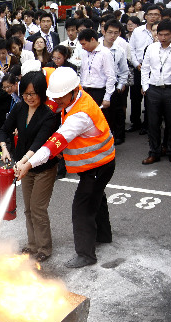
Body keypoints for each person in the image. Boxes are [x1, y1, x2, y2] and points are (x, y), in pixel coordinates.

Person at [16, 67, 115, 268]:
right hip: (100, 163)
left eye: (60, 97)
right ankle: (104, 235)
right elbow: (49, 76)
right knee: (97, 197)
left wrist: (28, 164)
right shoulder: (76, 95)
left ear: (72, 92)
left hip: (97, 165)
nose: (56, 101)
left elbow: (54, 144)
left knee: (82, 207)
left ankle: (86, 255)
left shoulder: (80, 116)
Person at [0, 71, 59, 262]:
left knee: (38, 208)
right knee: (28, 208)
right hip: (24, 166)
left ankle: (44, 247)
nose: (29, 98)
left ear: (42, 92)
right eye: (25, 93)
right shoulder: (19, 108)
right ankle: (32, 244)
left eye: (33, 94)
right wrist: (4, 149)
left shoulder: (48, 115)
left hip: (43, 167)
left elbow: (38, 145)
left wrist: (23, 162)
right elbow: (3, 130)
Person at [140, 20, 171, 165]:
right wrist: (146, 87)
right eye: (160, 35)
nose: (163, 38)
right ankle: (154, 152)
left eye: (166, 35)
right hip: (154, 89)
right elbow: (145, 68)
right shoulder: (151, 48)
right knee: (153, 123)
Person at [129, 5, 161, 133]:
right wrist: (137, 64)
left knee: (150, 98)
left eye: (156, 14)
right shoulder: (137, 31)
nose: (153, 17)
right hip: (138, 67)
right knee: (135, 97)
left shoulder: (161, 30)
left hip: (154, 69)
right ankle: (135, 122)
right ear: (145, 16)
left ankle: (148, 124)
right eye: (151, 14)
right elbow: (131, 49)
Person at [100, 20, 129, 145]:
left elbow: (124, 70)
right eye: (110, 32)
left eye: (116, 33)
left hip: (115, 85)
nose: (112, 36)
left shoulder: (120, 50)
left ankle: (117, 136)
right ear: (104, 32)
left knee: (116, 112)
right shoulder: (97, 47)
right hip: (100, 85)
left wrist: (121, 84)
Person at [78, 28, 116, 114]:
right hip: (85, 91)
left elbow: (111, 76)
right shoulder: (84, 53)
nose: (83, 47)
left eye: (84, 44)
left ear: (92, 39)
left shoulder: (105, 53)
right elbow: (82, 72)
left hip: (99, 92)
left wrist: (107, 97)